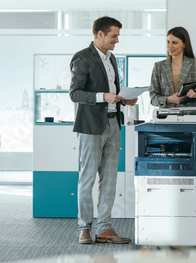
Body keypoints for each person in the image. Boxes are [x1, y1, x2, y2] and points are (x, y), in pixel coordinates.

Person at [69, 16, 137, 245]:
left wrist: (122, 99)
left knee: (109, 180)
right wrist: (102, 97)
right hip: (90, 126)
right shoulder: (83, 58)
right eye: (113, 36)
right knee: (87, 178)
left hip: (112, 123)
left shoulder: (111, 58)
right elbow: (75, 94)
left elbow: (111, 90)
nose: (117, 40)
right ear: (100, 34)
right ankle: (84, 227)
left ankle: (104, 227)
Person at [150, 26, 196, 108]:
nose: (170, 46)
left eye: (174, 43)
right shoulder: (158, 67)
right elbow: (153, 98)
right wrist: (169, 99)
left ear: (184, 44)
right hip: (166, 117)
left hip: (190, 116)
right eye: (168, 42)